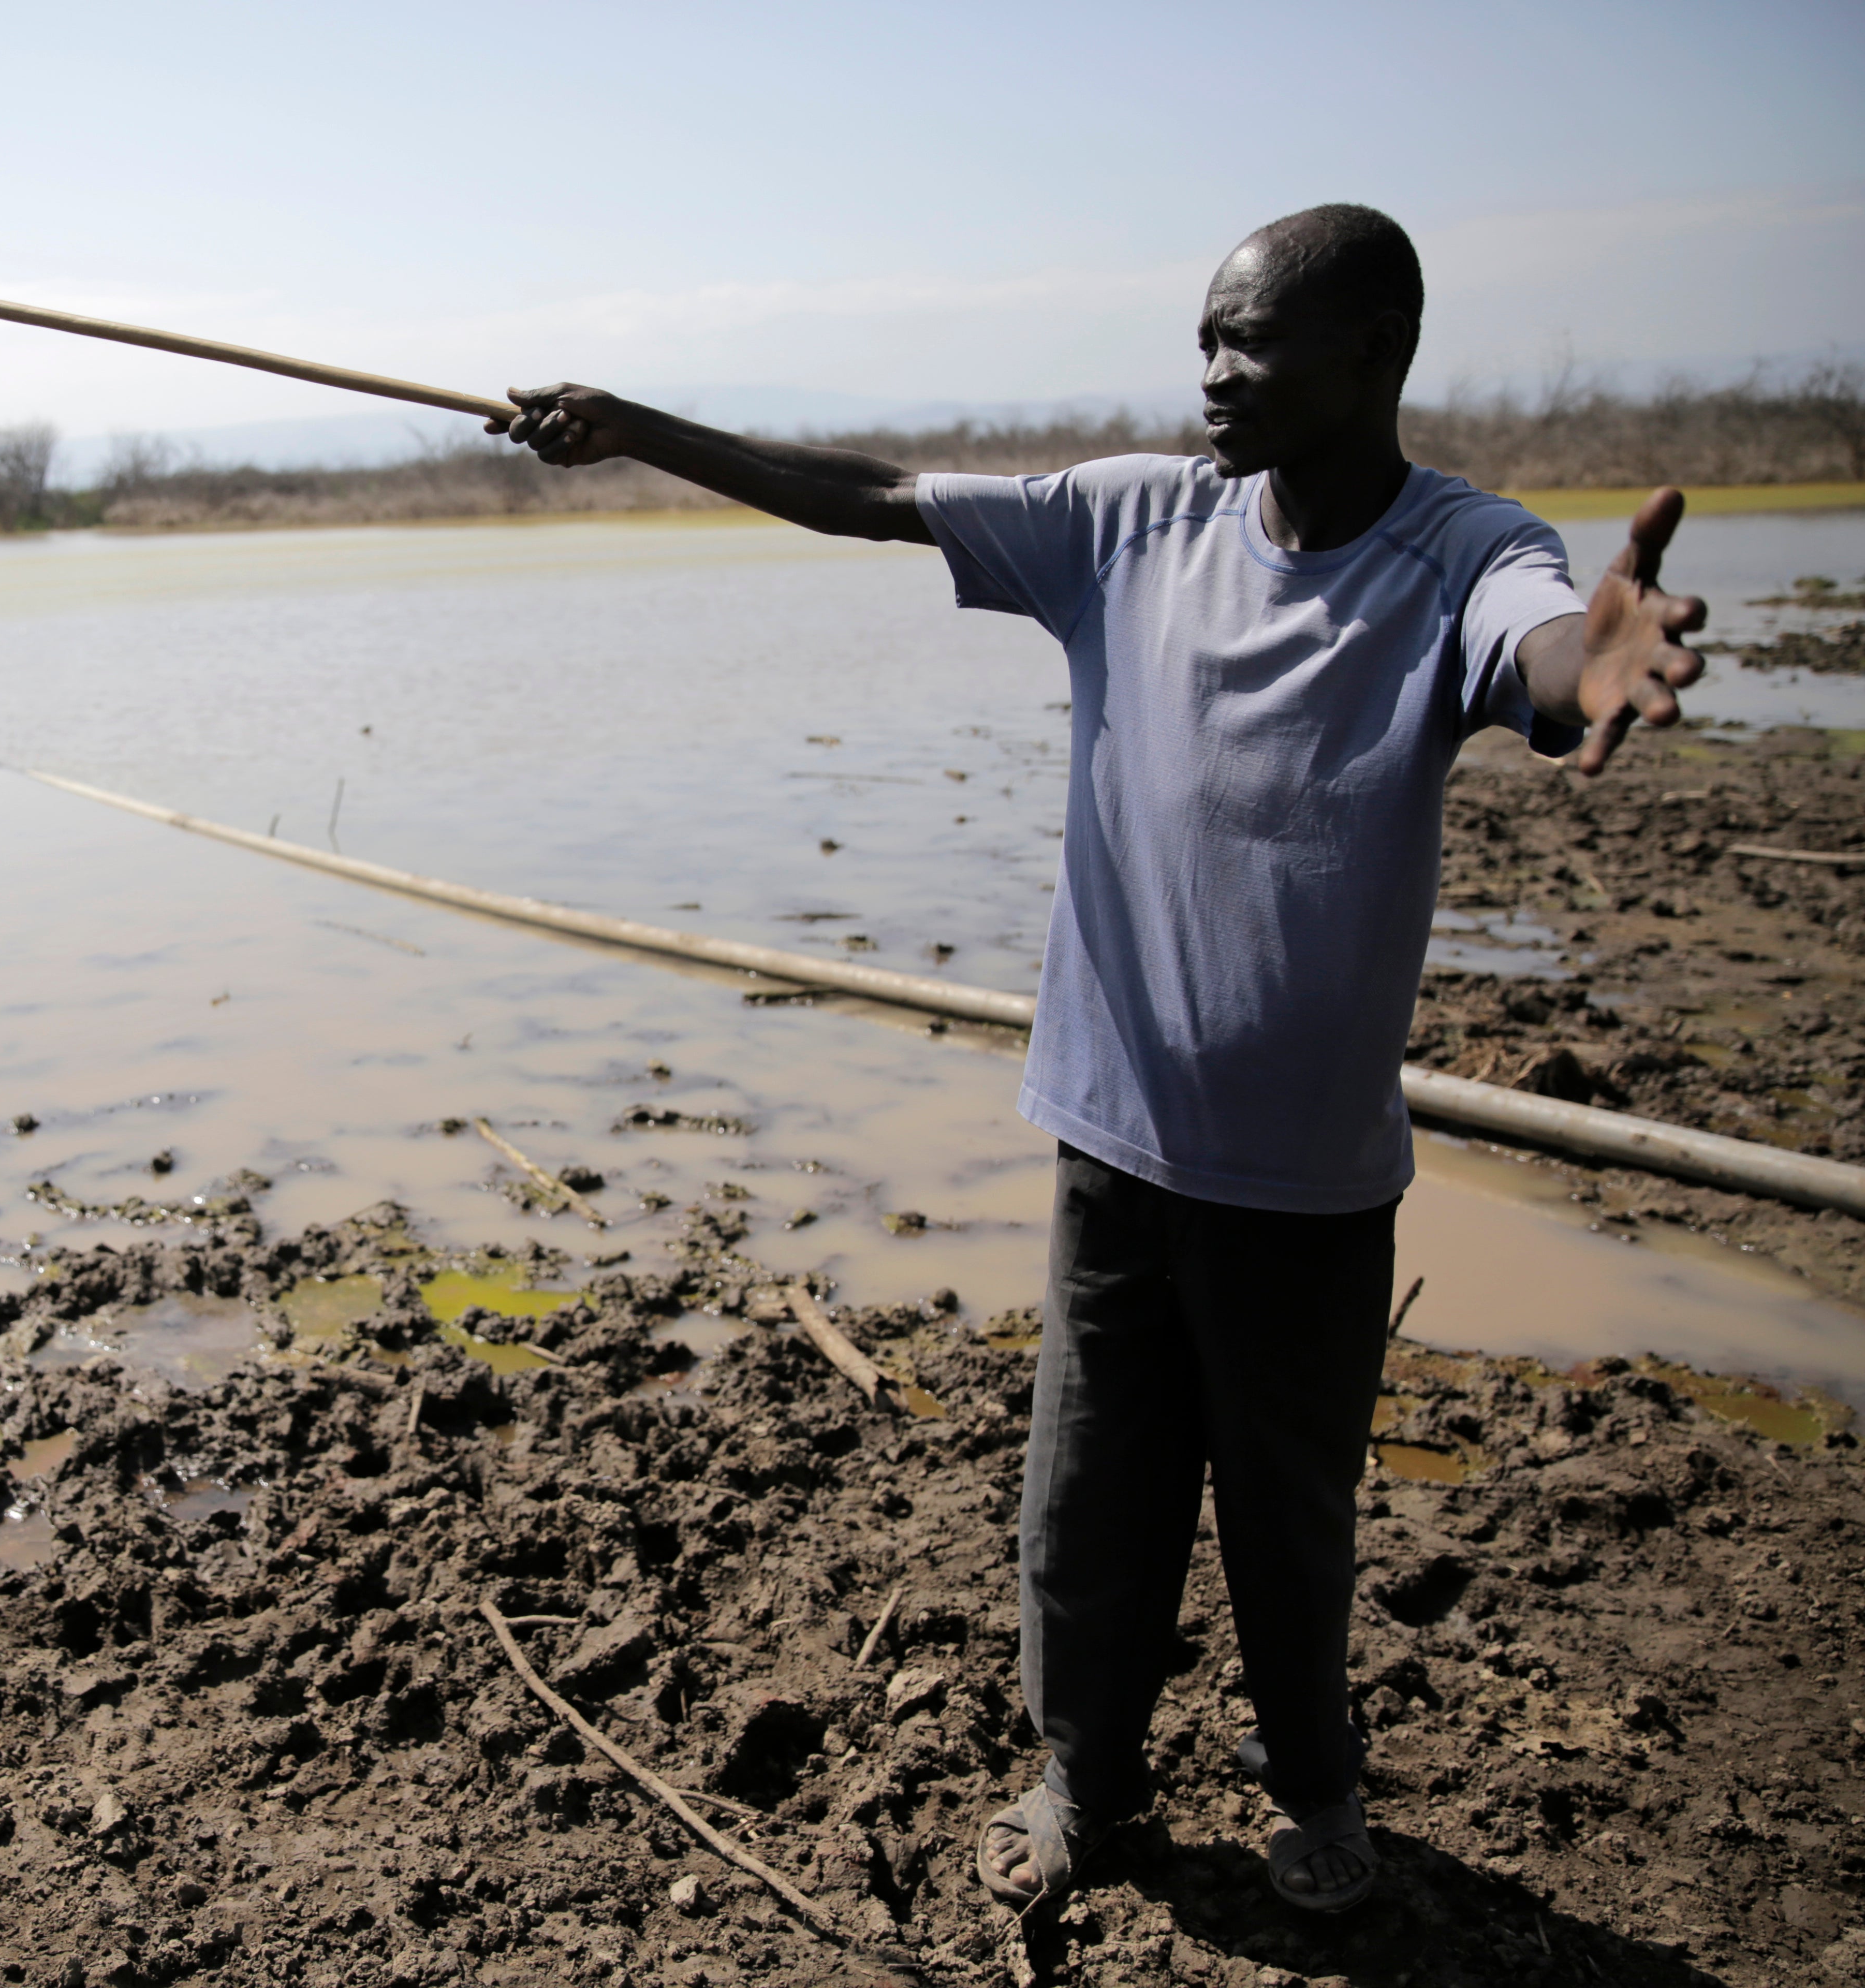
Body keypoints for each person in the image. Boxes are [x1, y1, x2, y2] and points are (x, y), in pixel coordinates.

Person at [487, 203, 1705, 1913]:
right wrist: (635, 430)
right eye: (1203, 339)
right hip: (1115, 1149)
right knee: (1087, 1504)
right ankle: (1087, 1778)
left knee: (1291, 1524)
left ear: (1375, 352)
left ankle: (1323, 1796)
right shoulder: (1129, 522)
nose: (1213, 374)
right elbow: (875, 495)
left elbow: (1544, 654)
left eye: (1252, 343)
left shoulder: (1461, 552)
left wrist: (1604, 658)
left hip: (1310, 1184)